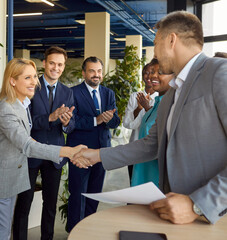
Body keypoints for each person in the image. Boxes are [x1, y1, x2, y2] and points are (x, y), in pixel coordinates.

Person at [72, 11, 227, 225]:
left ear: (171, 40)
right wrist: (97, 155)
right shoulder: (173, 92)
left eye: (155, 42)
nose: (154, 51)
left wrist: (197, 205)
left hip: (213, 219)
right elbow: (150, 144)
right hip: (174, 216)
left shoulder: (220, 72)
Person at [0, 58, 87, 240]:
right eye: (27, 78)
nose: (34, 81)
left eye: (34, 76)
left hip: (10, 180)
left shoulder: (22, 104)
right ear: (12, 81)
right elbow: (27, 145)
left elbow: (25, 137)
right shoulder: (6, 108)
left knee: (2, 232)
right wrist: (68, 151)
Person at [13, 47, 75, 240]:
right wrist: (49, 117)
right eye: (52, 63)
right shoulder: (31, 86)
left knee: (50, 205)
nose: (55, 68)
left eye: (60, 64)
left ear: (63, 67)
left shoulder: (67, 92)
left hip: (54, 154)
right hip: (31, 151)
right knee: (24, 202)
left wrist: (66, 123)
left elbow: (72, 124)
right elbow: (26, 120)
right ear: (44, 64)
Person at [66, 56, 120, 232]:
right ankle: (75, 231)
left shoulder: (108, 93)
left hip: (102, 151)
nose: (96, 75)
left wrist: (110, 119)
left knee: (95, 193)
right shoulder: (73, 93)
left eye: (99, 71)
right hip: (80, 151)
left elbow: (115, 122)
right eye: (92, 71)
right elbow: (72, 122)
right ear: (84, 73)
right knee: (78, 193)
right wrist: (96, 120)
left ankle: (88, 229)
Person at [131, 59, 173, 187]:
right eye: (151, 72)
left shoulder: (173, 105)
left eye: (160, 72)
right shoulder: (157, 104)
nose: (153, 76)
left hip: (156, 174)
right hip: (142, 168)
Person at [122, 62, 158, 181]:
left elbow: (155, 124)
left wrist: (147, 107)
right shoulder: (135, 96)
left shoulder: (162, 98)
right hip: (135, 148)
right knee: (134, 185)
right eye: (145, 73)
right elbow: (128, 124)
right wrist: (139, 108)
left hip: (153, 151)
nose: (148, 76)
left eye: (152, 73)